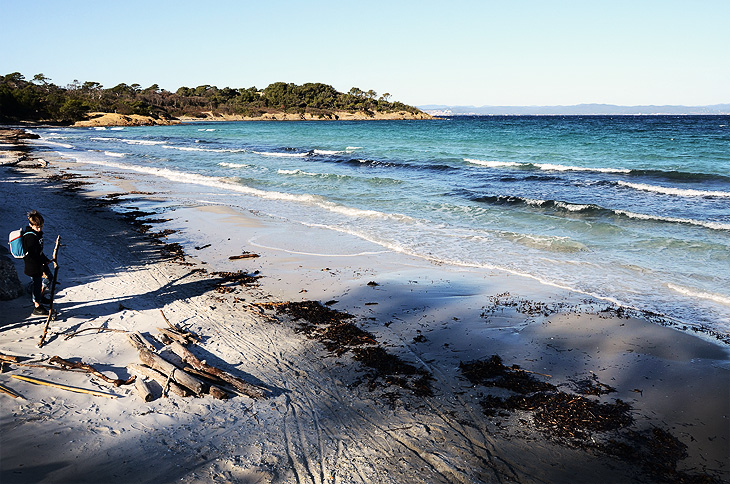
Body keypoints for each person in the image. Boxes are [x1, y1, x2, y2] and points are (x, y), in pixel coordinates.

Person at [22, 210, 55, 316]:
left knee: (49, 277)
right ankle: (37, 306)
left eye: (41, 226)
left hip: (40, 263)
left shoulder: (37, 234)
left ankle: (40, 297)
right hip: (33, 265)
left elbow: (39, 252)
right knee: (37, 284)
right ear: (30, 225)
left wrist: (46, 260)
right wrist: (42, 265)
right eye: (37, 227)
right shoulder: (30, 237)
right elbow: (33, 254)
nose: (39, 229)